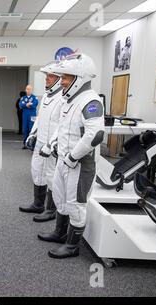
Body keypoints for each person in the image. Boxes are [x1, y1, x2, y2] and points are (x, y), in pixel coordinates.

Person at [37, 53, 105, 259]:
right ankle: (60, 232)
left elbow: (95, 135)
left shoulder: (91, 101)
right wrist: (54, 144)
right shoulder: (69, 100)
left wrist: (73, 157)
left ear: (79, 78)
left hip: (79, 164)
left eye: (66, 77)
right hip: (63, 160)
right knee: (60, 197)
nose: (62, 81)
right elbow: (62, 128)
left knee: (76, 204)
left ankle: (72, 246)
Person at [19, 61, 63, 223]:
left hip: (51, 145)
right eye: (47, 76)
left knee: (51, 175)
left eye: (51, 76)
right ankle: (38, 204)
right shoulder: (46, 96)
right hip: (40, 140)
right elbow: (40, 118)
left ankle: (51, 209)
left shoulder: (63, 98)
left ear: (59, 78)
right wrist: (32, 134)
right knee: (36, 170)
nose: (47, 79)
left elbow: (62, 125)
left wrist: (52, 144)